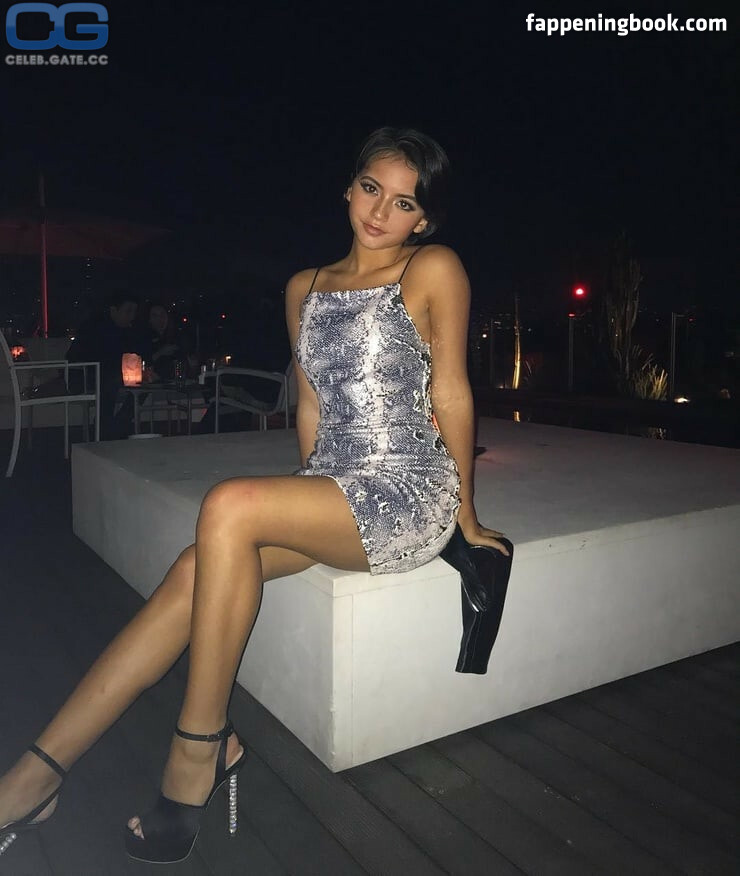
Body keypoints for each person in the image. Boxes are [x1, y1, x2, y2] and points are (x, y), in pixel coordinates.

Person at [0, 127, 512, 864]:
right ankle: (37, 775)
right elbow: (310, 405)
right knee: (193, 569)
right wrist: (302, 503)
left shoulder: (431, 267)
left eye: (404, 203)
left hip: (407, 491)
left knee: (229, 506)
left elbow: (452, 392)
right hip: (332, 488)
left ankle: (197, 748)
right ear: (349, 187)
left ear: (423, 220)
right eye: (372, 189)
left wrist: (464, 513)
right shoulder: (304, 287)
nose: (380, 212)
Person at [66, 289, 151, 440]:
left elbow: (134, 353)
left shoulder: (126, 330)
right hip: (83, 375)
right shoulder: (95, 328)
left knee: (143, 384)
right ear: (114, 310)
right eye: (128, 311)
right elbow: (97, 357)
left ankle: (119, 422)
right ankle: (105, 425)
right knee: (110, 381)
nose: (132, 316)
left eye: (134, 312)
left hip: (108, 373)